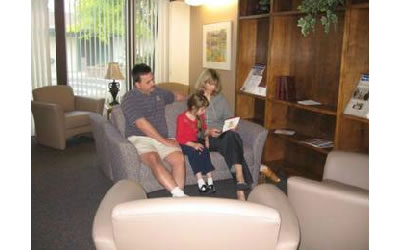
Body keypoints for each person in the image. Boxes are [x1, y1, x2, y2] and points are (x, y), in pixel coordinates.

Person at [121, 63, 187, 197]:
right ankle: (180, 196)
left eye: (153, 79)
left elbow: (177, 96)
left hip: (161, 138)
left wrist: (193, 97)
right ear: (137, 84)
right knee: (153, 158)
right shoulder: (129, 98)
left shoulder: (158, 92)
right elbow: (141, 124)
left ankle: (177, 199)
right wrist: (164, 141)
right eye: (148, 82)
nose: (153, 83)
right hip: (141, 138)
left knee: (179, 159)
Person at [194, 69, 253, 201]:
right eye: (210, 83)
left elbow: (228, 116)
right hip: (203, 138)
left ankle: (239, 180)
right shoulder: (195, 99)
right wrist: (207, 132)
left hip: (221, 134)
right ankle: (241, 183)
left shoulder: (221, 98)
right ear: (203, 83)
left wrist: (231, 125)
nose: (213, 87)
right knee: (233, 144)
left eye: (215, 84)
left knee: (232, 137)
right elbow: (191, 125)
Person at [176, 92, 216, 193]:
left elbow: (204, 130)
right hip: (185, 143)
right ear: (194, 108)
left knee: (204, 150)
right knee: (193, 152)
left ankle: (210, 180)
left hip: (196, 140)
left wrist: (206, 139)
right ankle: (200, 180)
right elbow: (179, 138)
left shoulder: (200, 117)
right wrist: (194, 145)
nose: (204, 111)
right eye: (202, 109)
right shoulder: (182, 118)